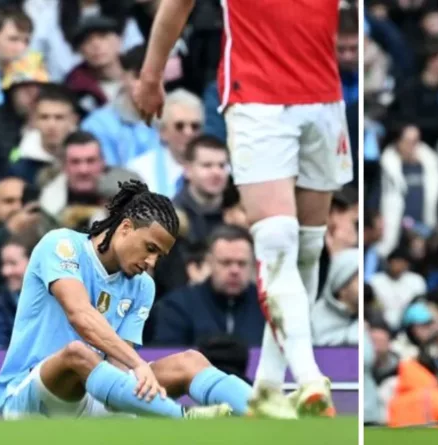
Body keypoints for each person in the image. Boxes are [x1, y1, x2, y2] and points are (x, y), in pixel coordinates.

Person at [132, 0, 353, 419]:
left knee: (305, 250)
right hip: (257, 99)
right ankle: (308, 377)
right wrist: (151, 73)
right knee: (277, 240)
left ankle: (268, 387)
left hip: (324, 101)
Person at [0, 180, 253, 420]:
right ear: (126, 227)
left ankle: (265, 411)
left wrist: (132, 379)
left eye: (159, 256)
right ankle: (182, 420)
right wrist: (138, 364)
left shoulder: (143, 286)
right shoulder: (62, 245)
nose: (152, 262)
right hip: (30, 402)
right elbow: (80, 315)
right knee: (77, 354)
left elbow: (116, 368)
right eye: (150, 248)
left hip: (94, 400)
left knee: (190, 361)